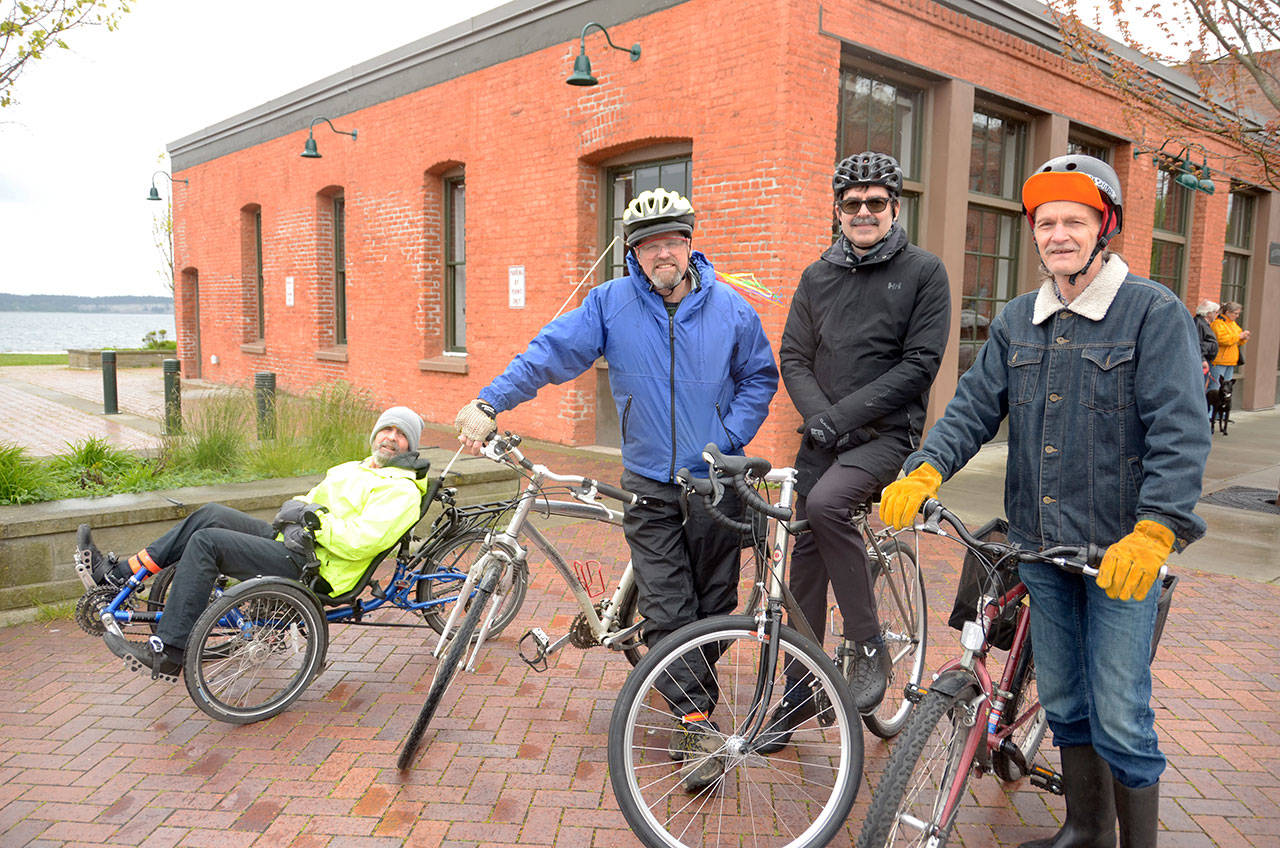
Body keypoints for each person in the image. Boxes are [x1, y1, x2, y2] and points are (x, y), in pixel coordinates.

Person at [879, 154, 1210, 847]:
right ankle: (1085, 830)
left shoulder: (1152, 312)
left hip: (1120, 555)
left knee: (1121, 712)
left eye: (1075, 221)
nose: (1059, 233)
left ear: (1105, 227)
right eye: (1046, 222)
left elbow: (1180, 433)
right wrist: (925, 469)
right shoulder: (1017, 322)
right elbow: (972, 408)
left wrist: (1156, 532)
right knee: (1064, 701)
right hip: (1039, 547)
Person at [453, 188, 778, 792]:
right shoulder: (610, 304)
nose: (661, 253)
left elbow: (759, 375)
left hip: (715, 485)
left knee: (714, 606)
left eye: (670, 241)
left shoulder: (731, 308)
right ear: (634, 253)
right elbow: (547, 354)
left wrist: (728, 440)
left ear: (688, 244)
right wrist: (490, 401)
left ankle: (692, 693)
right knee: (669, 607)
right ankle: (696, 722)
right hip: (651, 483)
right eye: (648, 244)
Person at [762, 151, 951, 751]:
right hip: (826, 435)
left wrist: (839, 419)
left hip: (885, 438)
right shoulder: (818, 276)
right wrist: (821, 419)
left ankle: (869, 647)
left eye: (876, 202)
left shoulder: (924, 273)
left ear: (895, 208)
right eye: (852, 203)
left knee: (826, 506)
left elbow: (920, 365)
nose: (864, 212)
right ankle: (796, 697)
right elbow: (793, 355)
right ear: (838, 212)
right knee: (804, 567)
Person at [79, 406, 430, 681]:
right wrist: (298, 511)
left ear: (409, 447)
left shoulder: (400, 491)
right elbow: (308, 501)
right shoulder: (353, 468)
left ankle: (170, 651)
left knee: (207, 543)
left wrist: (313, 520)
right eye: (387, 428)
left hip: (318, 569)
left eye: (401, 435)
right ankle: (119, 575)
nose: (390, 437)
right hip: (295, 544)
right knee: (210, 514)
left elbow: (360, 542)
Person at [1210, 299, 1250, 393]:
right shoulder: (1218, 323)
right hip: (1219, 361)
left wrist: (1243, 338)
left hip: (1231, 361)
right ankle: (1211, 407)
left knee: (1227, 389)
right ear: (1228, 312)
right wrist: (1239, 336)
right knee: (1215, 387)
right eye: (1235, 313)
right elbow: (1222, 340)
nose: (1237, 316)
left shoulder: (1233, 324)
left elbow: (1236, 341)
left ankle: (1222, 407)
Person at [1194, 300, 1220, 418]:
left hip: (1205, 359)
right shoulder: (1199, 323)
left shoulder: (1203, 324)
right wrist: (1202, 359)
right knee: (1199, 388)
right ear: (1208, 313)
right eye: (1215, 312)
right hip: (1202, 360)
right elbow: (1197, 343)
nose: (1216, 314)